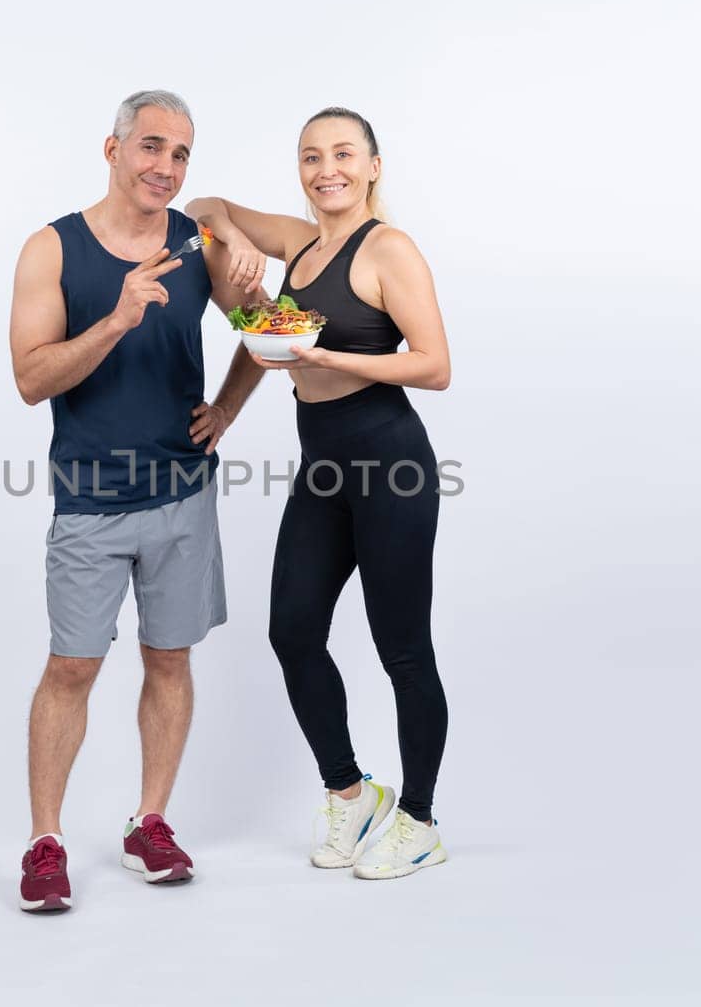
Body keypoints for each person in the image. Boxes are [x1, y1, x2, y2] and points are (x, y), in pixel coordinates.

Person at [8, 90, 266, 913]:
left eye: (182, 153)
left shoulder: (197, 242)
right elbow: (30, 379)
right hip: (89, 499)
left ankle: (149, 822)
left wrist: (227, 405)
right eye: (152, 145)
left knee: (169, 658)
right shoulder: (51, 248)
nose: (167, 166)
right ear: (113, 148)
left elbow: (267, 328)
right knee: (71, 666)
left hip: (182, 494)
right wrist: (117, 318)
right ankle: (45, 842)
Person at [185, 106, 453, 880]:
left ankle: (420, 818)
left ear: (373, 165)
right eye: (310, 156)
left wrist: (321, 350)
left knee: (402, 647)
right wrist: (233, 243)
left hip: (391, 464)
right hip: (322, 467)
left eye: (342, 154)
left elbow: (435, 364)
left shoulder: (388, 250)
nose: (325, 168)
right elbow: (207, 210)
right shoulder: (301, 244)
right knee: (293, 632)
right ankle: (350, 791)